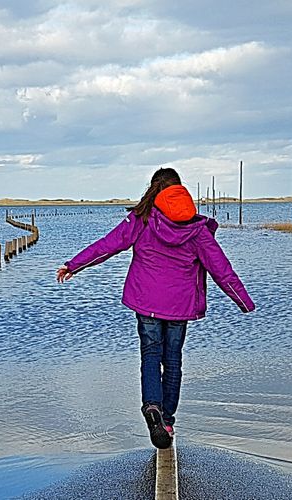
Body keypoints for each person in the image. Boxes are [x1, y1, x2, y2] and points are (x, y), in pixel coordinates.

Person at [57, 167, 255, 449]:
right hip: (180, 307)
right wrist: (243, 302)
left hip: (146, 304)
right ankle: (168, 420)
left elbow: (108, 246)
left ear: (154, 191)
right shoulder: (197, 230)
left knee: (151, 355)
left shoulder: (142, 219)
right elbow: (222, 270)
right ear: (180, 190)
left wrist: (73, 265)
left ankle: (152, 407)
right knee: (172, 359)